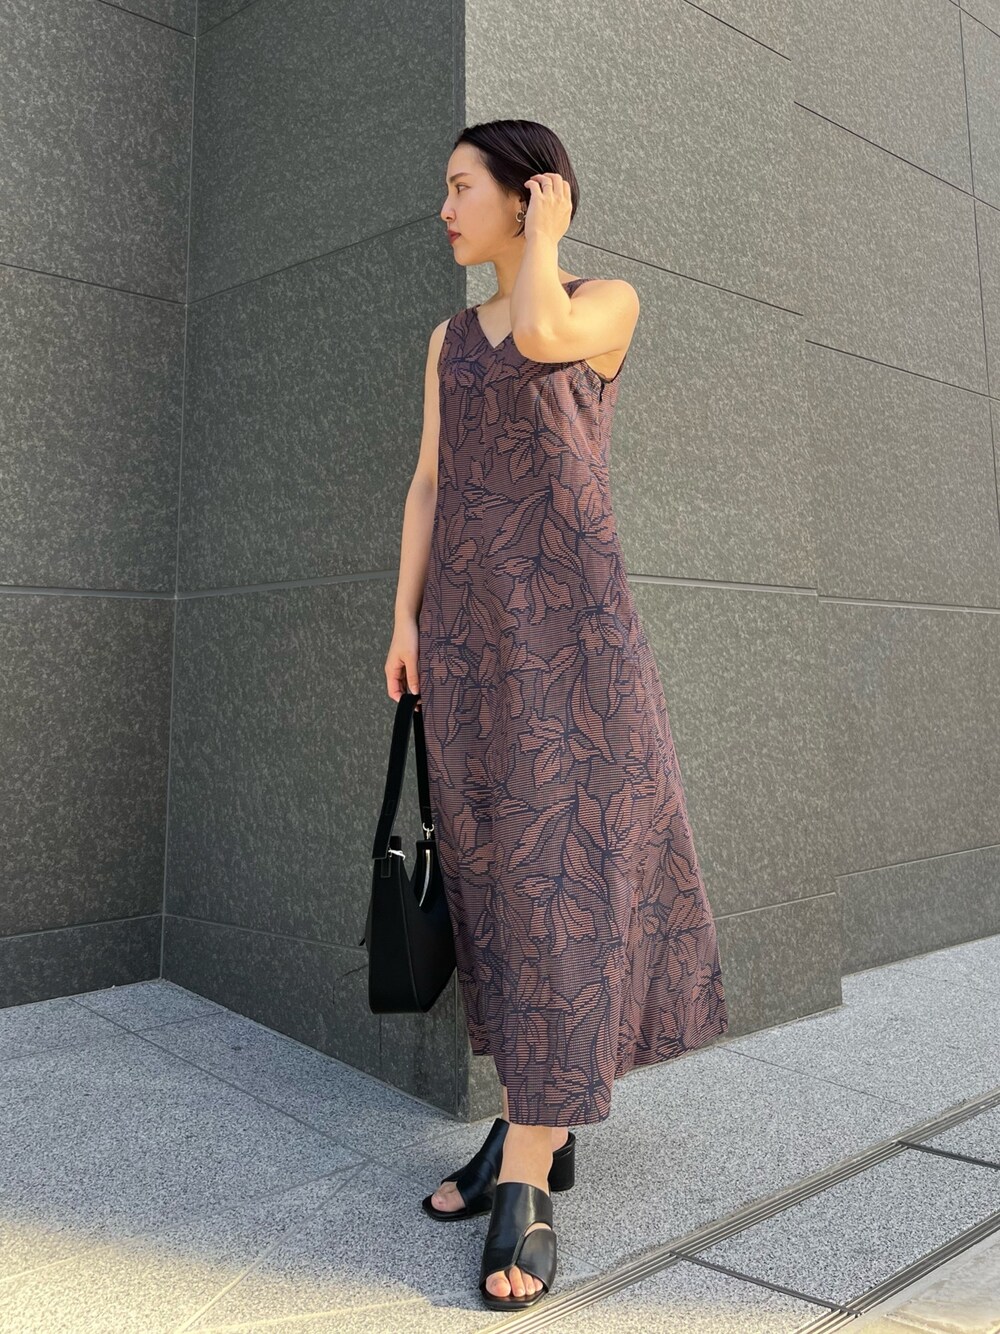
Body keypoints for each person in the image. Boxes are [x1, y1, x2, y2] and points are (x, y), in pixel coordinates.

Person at [384, 119, 729, 1311]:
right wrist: (403, 620)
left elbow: (539, 335)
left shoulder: (601, 302)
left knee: (563, 883)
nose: (444, 208)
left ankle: (526, 1171)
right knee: (498, 886)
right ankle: (528, 1125)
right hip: (472, 648)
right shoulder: (444, 340)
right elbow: (429, 481)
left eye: (461, 187)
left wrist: (549, 236)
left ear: (527, 197)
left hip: (579, 648)